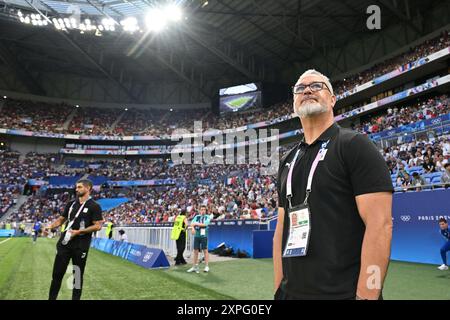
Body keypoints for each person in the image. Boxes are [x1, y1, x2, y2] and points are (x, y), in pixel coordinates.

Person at [273, 69, 393, 300]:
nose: (307, 90)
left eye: (317, 86)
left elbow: (381, 226)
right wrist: (279, 288)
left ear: (333, 99)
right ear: (294, 104)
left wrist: (367, 296)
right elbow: (281, 231)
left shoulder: (355, 145)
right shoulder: (287, 160)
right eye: (300, 88)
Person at [45, 179, 103, 300]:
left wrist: (80, 232)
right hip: (65, 244)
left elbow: (98, 225)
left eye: (80, 187)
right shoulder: (71, 204)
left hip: (80, 246)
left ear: (88, 188)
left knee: (77, 276)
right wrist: (50, 226)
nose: (77, 189)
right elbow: (61, 219)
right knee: (57, 274)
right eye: (76, 187)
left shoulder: (94, 206)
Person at [187, 205, 211, 273]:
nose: (203, 211)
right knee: (195, 251)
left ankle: (206, 266)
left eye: (204, 209)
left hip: (204, 236)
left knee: (205, 250)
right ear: (200, 210)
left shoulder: (207, 217)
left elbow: (205, 224)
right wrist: (193, 228)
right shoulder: (197, 216)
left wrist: (196, 223)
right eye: (202, 209)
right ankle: (194, 267)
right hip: (197, 235)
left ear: (205, 210)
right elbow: (191, 223)